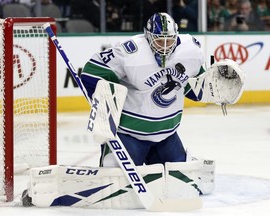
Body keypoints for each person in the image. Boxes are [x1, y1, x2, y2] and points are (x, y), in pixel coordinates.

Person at [80, 12, 245, 167]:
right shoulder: (130, 51)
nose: (165, 47)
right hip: (130, 136)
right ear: (148, 37)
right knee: (116, 188)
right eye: (159, 40)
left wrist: (210, 88)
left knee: (182, 189)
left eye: (170, 40)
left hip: (167, 136)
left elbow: (194, 88)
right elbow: (91, 74)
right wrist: (104, 108)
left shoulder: (190, 51)